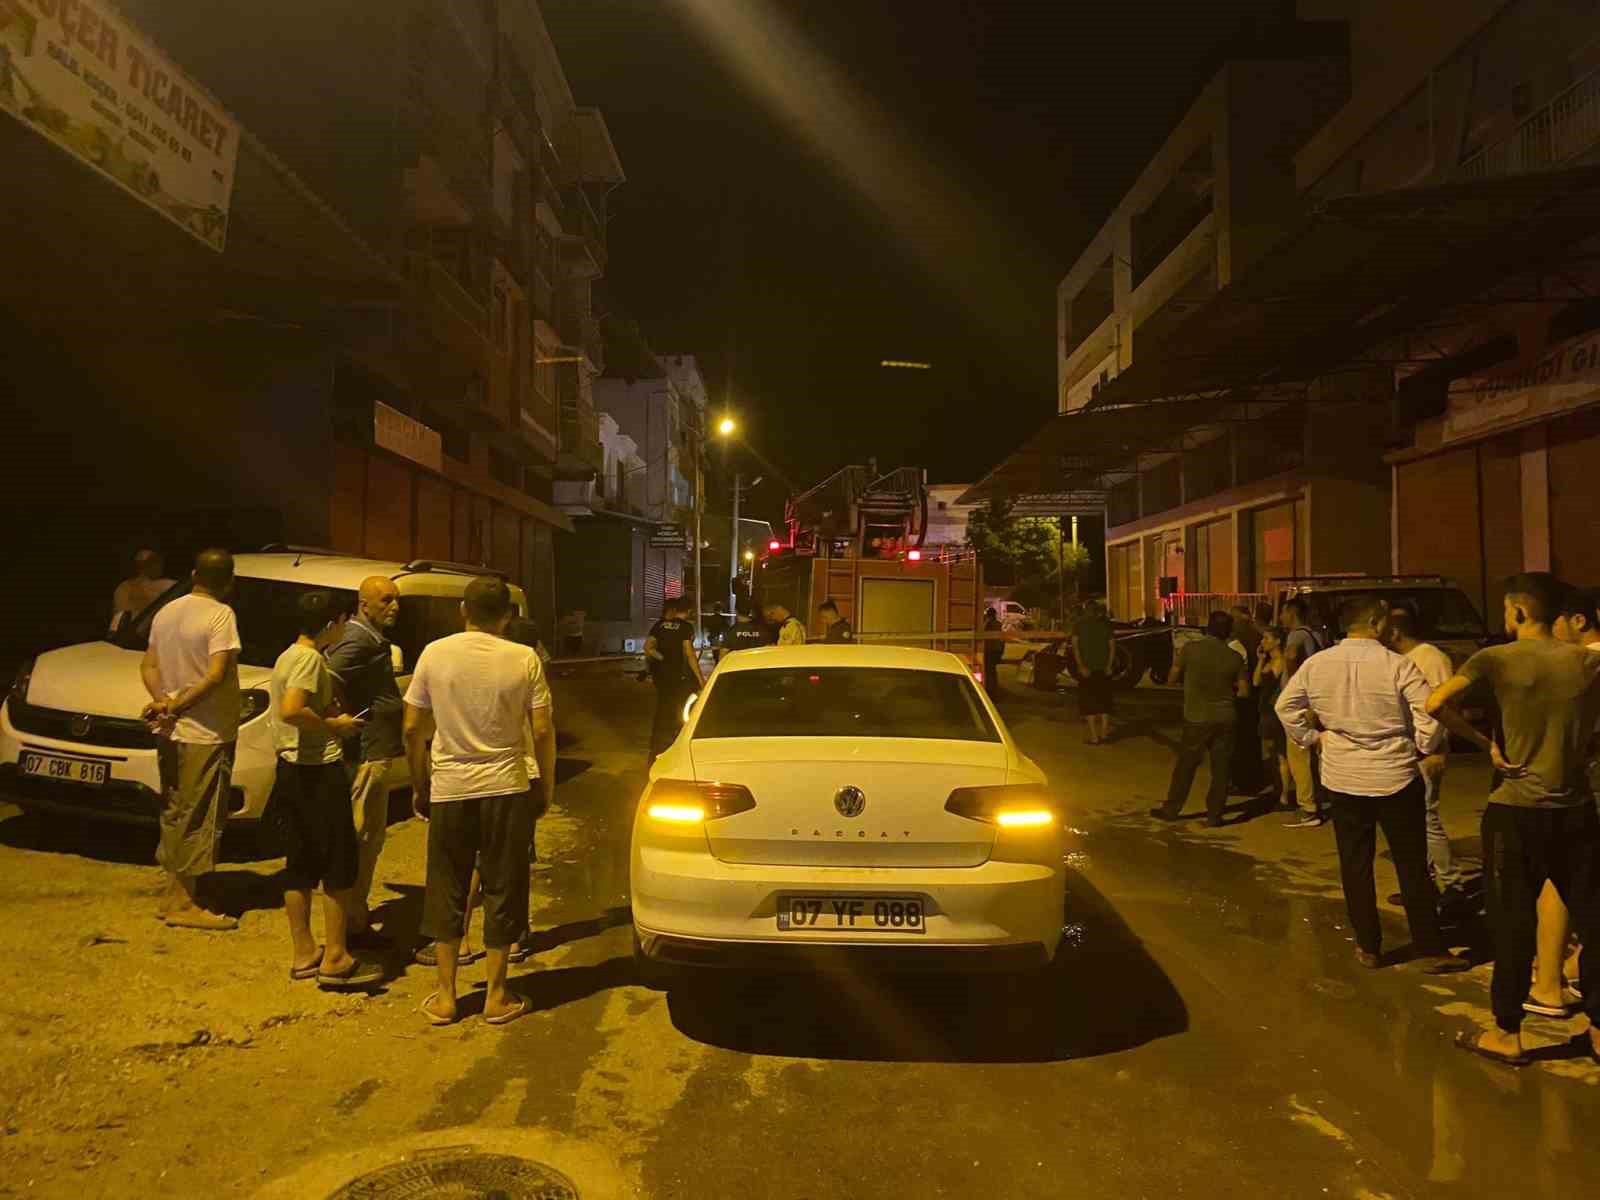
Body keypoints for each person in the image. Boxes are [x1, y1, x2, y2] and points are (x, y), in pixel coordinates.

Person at [1429, 573, 1600, 1065]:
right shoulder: (1588, 662)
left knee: (1512, 924)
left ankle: (1507, 1032)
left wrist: (1487, 746)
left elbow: (1437, 703)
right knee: (1593, 922)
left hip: (1515, 812)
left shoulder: (1495, 659)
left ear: (1520, 613)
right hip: (1576, 809)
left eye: (1507, 611)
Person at [1277, 595, 1466, 974]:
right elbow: (1428, 712)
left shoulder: (1318, 664)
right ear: (1377, 623)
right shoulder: (1398, 665)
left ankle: (1369, 945)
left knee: (1355, 864)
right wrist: (1424, 746)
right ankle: (1429, 946)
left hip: (1343, 778)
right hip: (1395, 774)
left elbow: (1285, 707)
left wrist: (1314, 739)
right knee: (1411, 864)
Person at [404, 577, 553, 1027]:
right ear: (507, 616)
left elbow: (412, 726)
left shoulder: (435, 653)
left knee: (447, 884)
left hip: (450, 787)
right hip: (507, 786)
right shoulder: (524, 658)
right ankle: (496, 996)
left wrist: (420, 783)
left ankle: (446, 997)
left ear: (463, 610)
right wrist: (544, 787)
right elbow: (542, 730)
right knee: (504, 885)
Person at [268, 591, 382, 989]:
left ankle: (304, 953)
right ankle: (336, 957)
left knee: (298, 864)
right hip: (316, 771)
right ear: (333, 623)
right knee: (338, 864)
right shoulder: (310, 659)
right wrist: (335, 726)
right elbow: (292, 709)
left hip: (290, 769)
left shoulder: (285, 655)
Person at [139, 548, 242, 931]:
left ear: (194, 574)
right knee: (199, 813)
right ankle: (183, 902)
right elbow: (217, 674)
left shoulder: (168, 611)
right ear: (229, 581)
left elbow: (149, 664)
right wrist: (178, 706)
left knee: (175, 808)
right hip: (205, 731)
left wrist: (162, 701)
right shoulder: (221, 615)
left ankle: (174, 893)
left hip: (171, 730)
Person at [325, 575, 404, 944]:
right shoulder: (358, 638)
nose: (394, 607)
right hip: (368, 751)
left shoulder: (368, 638)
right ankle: (349, 919)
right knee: (362, 834)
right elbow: (327, 675)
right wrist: (342, 712)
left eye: (396, 600)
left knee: (371, 834)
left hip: (377, 749)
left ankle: (356, 912)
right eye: (386, 600)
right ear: (364, 604)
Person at [1384, 607, 1466, 913]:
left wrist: (1435, 750)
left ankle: (1451, 886)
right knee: (1415, 820)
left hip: (1426, 749)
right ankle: (1424, 884)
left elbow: (1443, 707)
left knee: (1427, 819)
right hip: (1411, 748)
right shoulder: (1408, 659)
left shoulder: (1430, 658)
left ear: (1396, 633)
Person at [1151, 611, 1246, 827]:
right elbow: (1244, 691)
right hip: (1225, 717)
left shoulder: (1190, 650)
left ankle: (1172, 808)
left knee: (1186, 764)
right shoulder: (1235, 657)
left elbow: (1171, 678)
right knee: (1221, 769)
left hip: (1197, 716)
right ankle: (1214, 815)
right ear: (1228, 632)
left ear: (1208, 628)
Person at [1280, 596, 1327, 828]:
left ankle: (1308, 809)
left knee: (1298, 756)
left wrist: (1293, 680)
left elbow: (1290, 656)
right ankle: (1319, 798)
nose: (1281, 617)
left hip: (1300, 704)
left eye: (1283, 612)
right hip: (1314, 701)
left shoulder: (1297, 635)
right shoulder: (1316, 634)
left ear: (1291, 612)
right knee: (1314, 754)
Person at [645, 596, 704, 764]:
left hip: (662, 675)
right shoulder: (686, 627)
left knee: (663, 706)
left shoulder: (659, 625)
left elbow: (648, 648)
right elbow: (689, 653)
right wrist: (700, 678)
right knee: (680, 707)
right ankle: (676, 740)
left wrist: (662, 658)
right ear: (689, 611)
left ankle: (656, 743)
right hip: (680, 675)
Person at [1254, 626, 1294, 809]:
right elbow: (1256, 682)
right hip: (1266, 711)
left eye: (1266, 638)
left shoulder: (1281, 662)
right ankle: (1279, 791)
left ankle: (1284, 794)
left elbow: (1269, 683)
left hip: (1275, 712)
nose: (1263, 642)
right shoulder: (1269, 661)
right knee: (1273, 754)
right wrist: (1260, 661)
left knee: (1281, 755)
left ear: (1277, 641)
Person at [1228, 604, 1263, 796]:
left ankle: (1243, 781)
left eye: (1234, 618)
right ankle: (1253, 778)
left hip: (1243, 694)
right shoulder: (1257, 636)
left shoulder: (1237, 641)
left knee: (1240, 741)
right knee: (1251, 739)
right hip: (1255, 694)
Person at [1071, 600, 1115, 744]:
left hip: (1087, 670)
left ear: (1085, 610)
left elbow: (1076, 647)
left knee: (1089, 703)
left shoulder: (1079, 625)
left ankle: (1094, 737)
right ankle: (1104, 734)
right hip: (1103, 669)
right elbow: (1112, 647)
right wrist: (1109, 665)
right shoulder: (1106, 624)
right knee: (1104, 701)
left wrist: (1081, 666)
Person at [111, 548, 174, 633]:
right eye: (153, 563)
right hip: (135, 635)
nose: (159, 566)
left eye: (158, 562)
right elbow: (119, 618)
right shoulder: (124, 588)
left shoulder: (169, 585)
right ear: (141, 567)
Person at [720, 595, 768, 661]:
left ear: (736, 611)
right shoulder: (763, 629)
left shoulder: (731, 632)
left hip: (739, 667)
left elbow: (723, 654)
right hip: (759, 666)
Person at [982, 607, 1005, 701]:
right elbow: (1002, 640)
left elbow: (982, 633)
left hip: (989, 650)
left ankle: (990, 692)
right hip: (997, 650)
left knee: (989, 671)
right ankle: (994, 690)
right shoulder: (999, 624)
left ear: (988, 615)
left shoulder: (988, 624)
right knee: (993, 671)